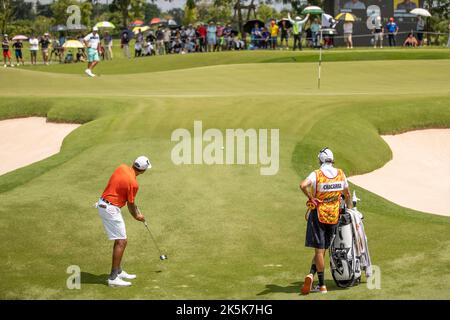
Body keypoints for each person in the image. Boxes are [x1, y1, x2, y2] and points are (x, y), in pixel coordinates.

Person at [299, 148, 352, 295]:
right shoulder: (341, 174)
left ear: (320, 160)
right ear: (332, 160)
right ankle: (311, 274)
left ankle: (322, 285)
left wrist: (310, 197)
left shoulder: (316, 174)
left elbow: (303, 185)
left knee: (319, 251)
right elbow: (346, 194)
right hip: (333, 216)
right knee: (323, 250)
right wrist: (350, 209)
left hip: (318, 215)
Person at [97, 156, 151, 287]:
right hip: (110, 209)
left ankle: (119, 271)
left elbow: (126, 196)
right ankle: (113, 278)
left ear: (133, 163)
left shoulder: (122, 167)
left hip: (104, 204)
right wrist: (137, 216)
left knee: (120, 240)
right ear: (143, 171)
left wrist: (136, 211)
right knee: (122, 241)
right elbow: (130, 204)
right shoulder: (133, 183)